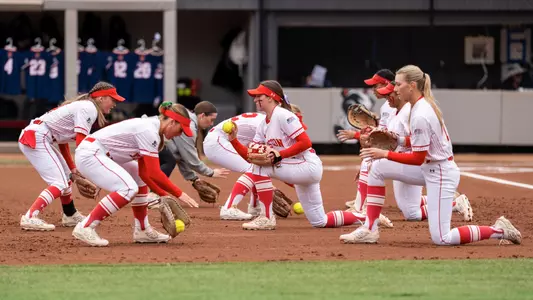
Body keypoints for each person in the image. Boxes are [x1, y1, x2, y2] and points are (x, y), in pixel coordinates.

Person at [340, 65, 522, 245]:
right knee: (376, 168)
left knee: (443, 238)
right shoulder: (418, 106)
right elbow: (419, 143)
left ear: (411, 85)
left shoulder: (420, 113)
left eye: (398, 84)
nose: (394, 89)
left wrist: (385, 153)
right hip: (429, 167)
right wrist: (399, 140)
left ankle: (500, 230)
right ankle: (369, 229)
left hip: (441, 172)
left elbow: (417, 158)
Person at [227, 80, 364, 230]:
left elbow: (305, 142)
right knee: (319, 221)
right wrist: (234, 140)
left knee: (260, 167)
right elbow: (251, 157)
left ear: (271, 97)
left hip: (307, 165)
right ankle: (367, 216)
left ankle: (266, 217)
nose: (255, 99)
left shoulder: (283, 115)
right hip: (299, 169)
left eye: (259, 96)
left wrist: (280, 155)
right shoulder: (263, 124)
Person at [338, 78, 472, 223]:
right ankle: (452, 202)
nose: (387, 97)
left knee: (374, 168)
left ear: (399, 94)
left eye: (390, 94)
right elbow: (389, 141)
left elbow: (415, 144)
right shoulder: (394, 112)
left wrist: (382, 153)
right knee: (412, 214)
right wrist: (368, 139)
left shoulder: (410, 113)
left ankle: (365, 215)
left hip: (417, 163)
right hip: (404, 160)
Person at [72, 102, 199, 246]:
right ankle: (86, 226)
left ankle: (142, 230)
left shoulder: (153, 130)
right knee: (128, 188)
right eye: (181, 129)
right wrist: (179, 194)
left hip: (99, 154)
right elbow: (155, 172)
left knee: (138, 180)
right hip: (90, 154)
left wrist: (162, 195)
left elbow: (144, 174)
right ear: (172, 122)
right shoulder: (149, 130)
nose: (180, 134)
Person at [18, 81, 122, 231]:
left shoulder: (85, 106)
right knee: (59, 182)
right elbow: (82, 144)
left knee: (65, 179)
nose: (114, 104)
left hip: (39, 134)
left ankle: (70, 214)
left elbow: (63, 142)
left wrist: (73, 171)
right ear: (101, 98)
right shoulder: (89, 108)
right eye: (112, 99)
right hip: (38, 136)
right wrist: (89, 173)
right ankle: (30, 217)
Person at [204, 103, 306, 220]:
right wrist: (299, 185)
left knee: (258, 166)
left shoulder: (270, 122)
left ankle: (254, 207)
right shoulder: (270, 126)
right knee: (253, 168)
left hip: (218, 141)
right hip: (217, 141)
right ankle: (229, 208)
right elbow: (277, 163)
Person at [337, 69, 397, 227]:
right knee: (412, 211)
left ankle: (361, 208)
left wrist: (358, 136)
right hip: (399, 150)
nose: (372, 89)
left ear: (386, 84)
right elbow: (383, 135)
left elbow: (389, 137)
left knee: (368, 160)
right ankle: (454, 202)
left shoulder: (392, 106)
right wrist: (363, 134)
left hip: (409, 154)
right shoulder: (386, 106)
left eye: (375, 85)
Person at [147, 101, 229, 207]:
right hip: (147, 136)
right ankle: (151, 195)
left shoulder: (188, 121)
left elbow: (180, 155)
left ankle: (149, 194)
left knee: (168, 158)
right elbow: (190, 159)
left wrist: (193, 178)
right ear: (202, 115)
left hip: (150, 137)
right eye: (211, 120)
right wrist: (210, 172)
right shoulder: (188, 125)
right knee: (169, 160)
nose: (211, 124)